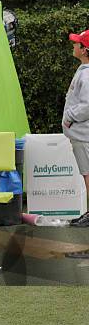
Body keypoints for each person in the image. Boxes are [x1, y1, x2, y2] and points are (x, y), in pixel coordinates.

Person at [62, 29, 89, 227]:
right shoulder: (84, 71)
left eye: (77, 43)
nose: (74, 45)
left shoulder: (87, 75)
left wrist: (69, 117)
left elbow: (87, 105)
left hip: (84, 134)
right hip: (81, 134)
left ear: (85, 49)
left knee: (88, 174)